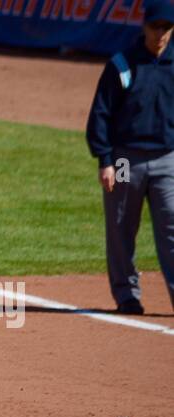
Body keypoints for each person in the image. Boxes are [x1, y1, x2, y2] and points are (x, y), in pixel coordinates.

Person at [86, 0, 174, 315]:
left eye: (167, 28)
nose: (160, 34)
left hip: (167, 159)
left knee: (171, 228)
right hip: (124, 160)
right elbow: (101, 114)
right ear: (144, 26)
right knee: (122, 227)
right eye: (156, 27)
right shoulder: (123, 64)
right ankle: (127, 296)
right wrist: (105, 160)